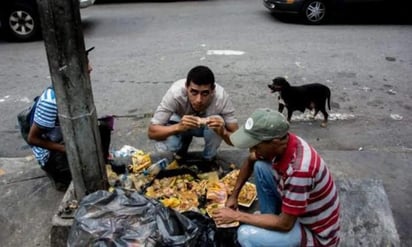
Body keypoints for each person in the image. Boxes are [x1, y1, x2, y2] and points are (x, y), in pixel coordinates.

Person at [212, 108, 340, 247]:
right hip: (298, 210)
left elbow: (285, 225)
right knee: (260, 166)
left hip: (314, 233)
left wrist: (236, 215)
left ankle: (270, 231)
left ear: (275, 142)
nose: (252, 150)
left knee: (245, 235)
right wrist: (234, 196)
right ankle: (268, 218)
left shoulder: (300, 171)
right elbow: (250, 160)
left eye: (256, 146)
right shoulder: (283, 143)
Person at [27, 47, 112, 191]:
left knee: (103, 127)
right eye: (85, 65)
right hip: (52, 153)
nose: (90, 68)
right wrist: (67, 149)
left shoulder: (77, 89)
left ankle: (102, 165)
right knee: (85, 179)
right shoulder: (51, 102)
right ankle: (60, 177)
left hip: (67, 139)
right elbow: (33, 139)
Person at [148, 65, 239, 164]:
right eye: (194, 92)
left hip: (206, 129)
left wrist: (223, 132)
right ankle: (178, 152)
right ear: (187, 87)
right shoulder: (175, 94)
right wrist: (178, 127)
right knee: (166, 151)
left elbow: (237, 139)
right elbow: (152, 132)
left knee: (217, 121)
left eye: (204, 94)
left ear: (213, 90)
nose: (199, 100)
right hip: (179, 122)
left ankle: (208, 159)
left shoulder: (221, 97)